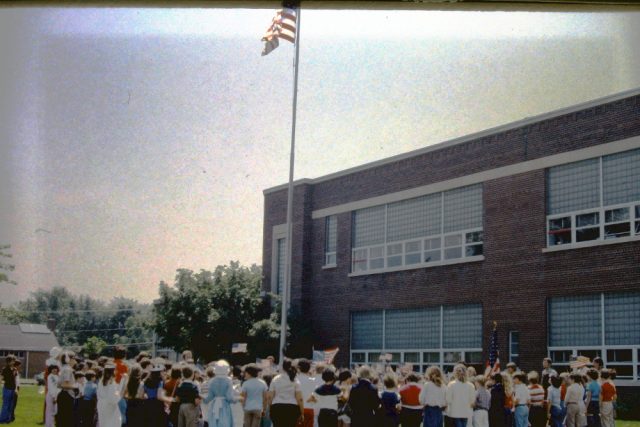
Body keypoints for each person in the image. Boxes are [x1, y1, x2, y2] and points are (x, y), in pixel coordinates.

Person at [268, 358, 304, 427]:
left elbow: (270, 397)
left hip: (277, 407)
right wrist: (302, 413)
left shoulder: (275, 379)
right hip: (292, 408)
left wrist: (270, 409)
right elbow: (299, 398)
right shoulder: (295, 380)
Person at [203, 360, 236, 427]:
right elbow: (229, 397)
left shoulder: (212, 381)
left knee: (214, 423)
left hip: (214, 404)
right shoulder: (228, 380)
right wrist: (236, 400)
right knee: (225, 422)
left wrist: (203, 399)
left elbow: (209, 397)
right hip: (224, 405)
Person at [296, 359, 319, 427]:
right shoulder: (313, 381)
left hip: (297, 408)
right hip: (309, 408)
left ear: (299, 368)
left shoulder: (295, 380)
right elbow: (316, 396)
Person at [0, 355, 17, 424]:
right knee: (5, 405)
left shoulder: (14, 369)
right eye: (13, 360)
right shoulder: (5, 369)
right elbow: (1, 379)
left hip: (13, 389)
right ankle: (2, 419)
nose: (14, 361)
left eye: (14, 360)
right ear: (9, 361)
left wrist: (16, 389)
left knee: (11, 405)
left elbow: (15, 380)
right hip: (7, 389)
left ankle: (8, 419)